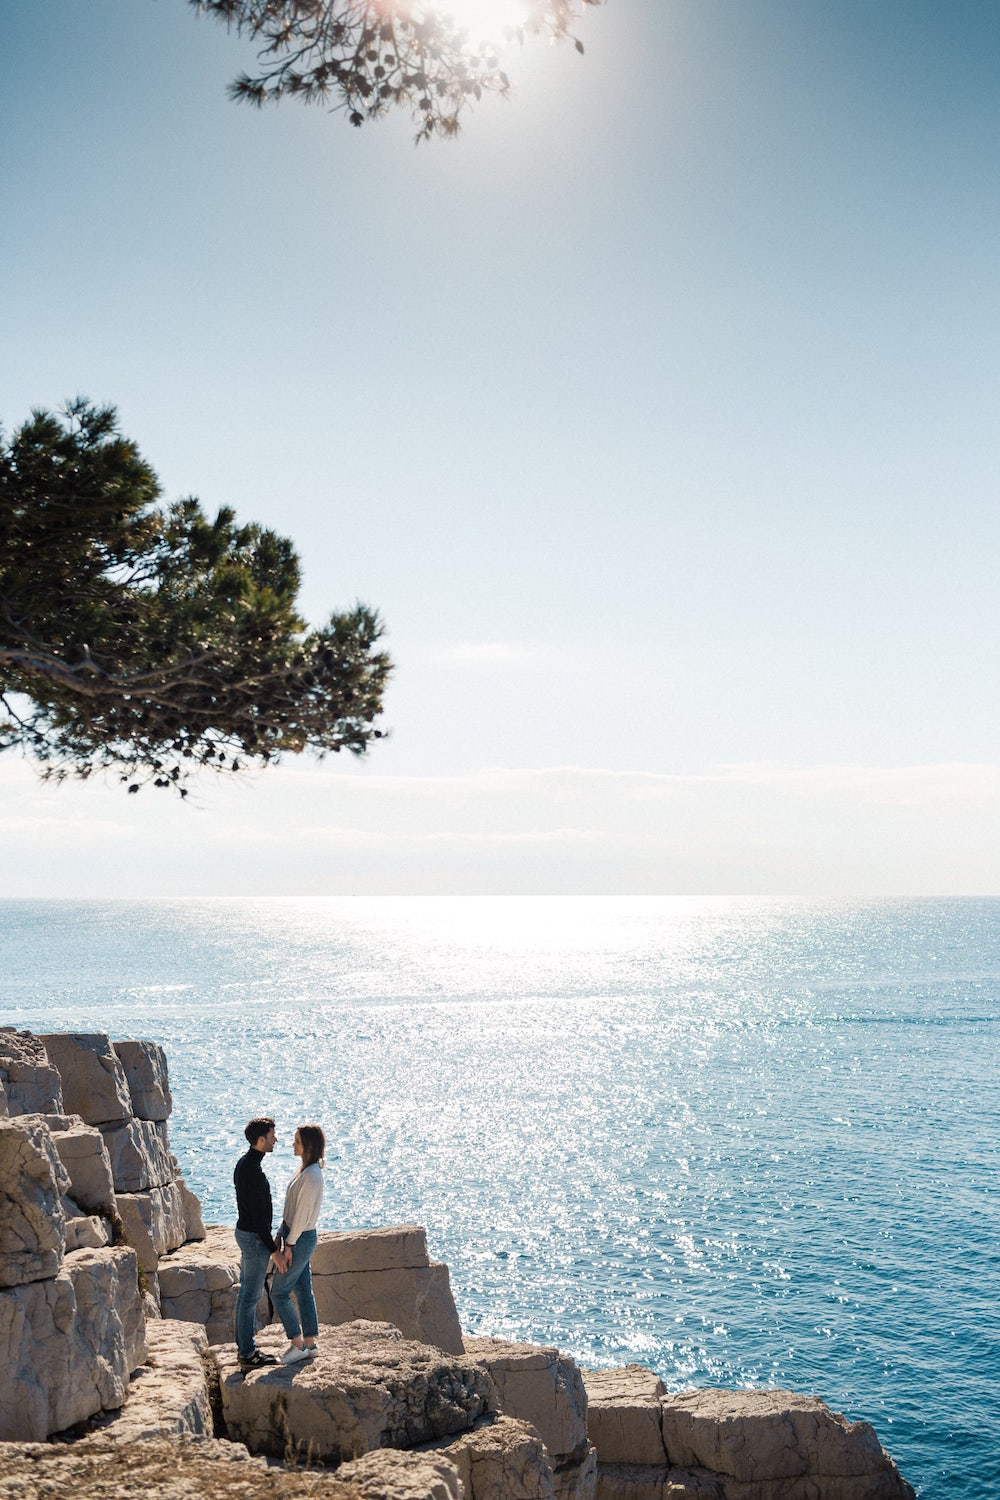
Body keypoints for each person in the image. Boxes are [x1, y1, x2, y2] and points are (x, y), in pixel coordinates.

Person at [269, 1122, 325, 1365]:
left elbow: (301, 1215)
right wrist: (281, 1232)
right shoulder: (306, 1170)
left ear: (308, 1146)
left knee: (279, 1292)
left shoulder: (312, 1175)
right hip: (295, 1236)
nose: (292, 1144)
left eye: (297, 1141)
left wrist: (289, 1245)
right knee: (303, 1290)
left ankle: (297, 1344)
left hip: (300, 1239)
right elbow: (292, 1211)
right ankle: (310, 1344)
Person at [233, 1115, 281, 1371]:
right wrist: (274, 1251)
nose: (276, 1139)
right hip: (253, 1239)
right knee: (250, 1296)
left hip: (245, 1234)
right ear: (261, 1140)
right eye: (273, 1135)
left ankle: (244, 1348)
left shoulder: (244, 1164)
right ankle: (247, 1353)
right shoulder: (253, 1172)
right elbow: (259, 1220)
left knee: (245, 1296)